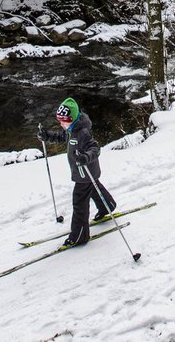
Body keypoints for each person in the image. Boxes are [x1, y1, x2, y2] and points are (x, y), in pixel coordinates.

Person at [37, 97, 116, 248]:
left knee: (79, 202)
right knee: (94, 188)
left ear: (72, 119)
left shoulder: (83, 132)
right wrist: (46, 136)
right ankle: (108, 206)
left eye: (64, 121)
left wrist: (86, 157)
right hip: (84, 172)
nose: (61, 124)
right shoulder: (71, 128)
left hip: (84, 172)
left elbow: (95, 148)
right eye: (60, 121)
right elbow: (62, 136)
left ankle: (79, 236)